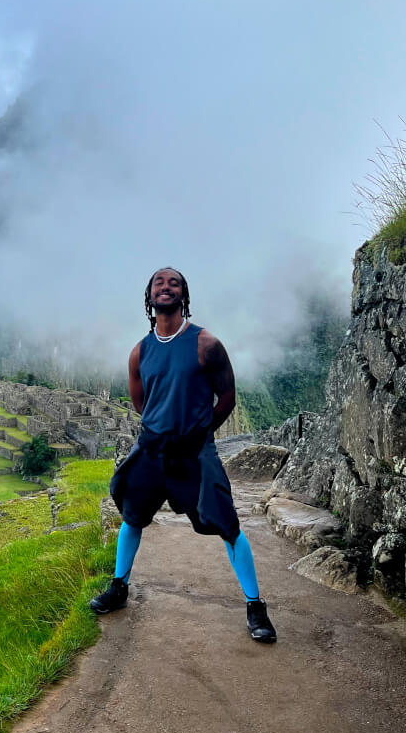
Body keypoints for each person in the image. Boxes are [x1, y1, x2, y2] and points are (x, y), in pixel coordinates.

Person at [91, 267, 277, 643]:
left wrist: (200, 431)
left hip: (194, 449)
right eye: (159, 282)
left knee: (227, 523)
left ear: (183, 295)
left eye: (173, 283)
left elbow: (227, 398)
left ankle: (255, 605)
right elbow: (141, 400)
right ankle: (119, 586)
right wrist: (160, 425)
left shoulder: (204, 344)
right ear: (150, 295)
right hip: (153, 446)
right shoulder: (140, 351)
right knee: (132, 514)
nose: (166, 287)